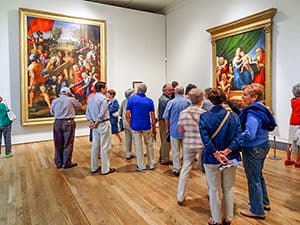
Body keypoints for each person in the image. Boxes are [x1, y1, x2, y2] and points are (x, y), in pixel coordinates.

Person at [199, 88, 242, 225]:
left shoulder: (204, 117)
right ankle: (228, 218)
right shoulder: (234, 116)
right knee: (229, 187)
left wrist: (216, 152)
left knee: (213, 188)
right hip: (231, 156)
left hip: (212, 157)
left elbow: (205, 139)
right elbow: (239, 137)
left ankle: (216, 219)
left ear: (209, 100)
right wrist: (228, 151)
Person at [239, 83, 276, 220]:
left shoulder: (252, 113)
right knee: (258, 175)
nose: (242, 97)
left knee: (253, 178)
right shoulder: (262, 108)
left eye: (245, 95)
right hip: (263, 144)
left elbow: (250, 134)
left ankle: (257, 209)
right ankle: (264, 202)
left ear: (254, 97)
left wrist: (237, 137)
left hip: (253, 147)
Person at [177, 88, 206, 205]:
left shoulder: (183, 113)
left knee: (185, 169)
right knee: (207, 170)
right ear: (201, 99)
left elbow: (180, 129)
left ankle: (180, 196)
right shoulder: (204, 113)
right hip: (202, 143)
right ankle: (211, 192)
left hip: (188, 143)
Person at [86, 82, 116, 175]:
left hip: (95, 125)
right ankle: (105, 169)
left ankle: (94, 167)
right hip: (103, 123)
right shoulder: (103, 99)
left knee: (95, 146)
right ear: (102, 89)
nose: (106, 89)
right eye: (105, 87)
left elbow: (87, 112)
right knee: (105, 146)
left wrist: (92, 122)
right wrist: (97, 122)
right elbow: (102, 113)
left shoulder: (91, 98)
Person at [126, 83, 156, 172]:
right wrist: (154, 126)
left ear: (137, 90)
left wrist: (130, 124)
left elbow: (127, 114)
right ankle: (151, 164)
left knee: (138, 146)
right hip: (146, 125)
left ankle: (141, 166)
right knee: (149, 145)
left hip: (135, 126)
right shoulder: (149, 101)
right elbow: (153, 116)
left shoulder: (131, 100)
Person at [50, 87, 81, 169]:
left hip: (57, 122)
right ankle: (66, 162)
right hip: (68, 122)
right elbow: (79, 106)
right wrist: (73, 97)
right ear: (68, 93)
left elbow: (51, 111)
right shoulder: (71, 99)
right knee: (68, 143)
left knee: (57, 143)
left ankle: (58, 163)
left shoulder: (55, 101)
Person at [163, 85, 191, 176]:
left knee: (175, 150)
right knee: (186, 151)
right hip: (186, 129)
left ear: (175, 92)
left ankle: (176, 169)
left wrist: (168, 128)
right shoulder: (188, 102)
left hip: (174, 129)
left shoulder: (171, 103)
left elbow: (166, 117)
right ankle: (186, 168)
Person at [285, 83, 300, 168]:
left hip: (292, 121)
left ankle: (288, 159)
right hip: (299, 122)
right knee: (299, 143)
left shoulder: (293, 101)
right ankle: (298, 161)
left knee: (290, 141)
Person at [158, 83, 172, 165]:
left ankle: (162, 156)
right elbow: (167, 114)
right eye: (169, 90)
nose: (171, 92)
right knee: (166, 141)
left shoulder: (164, 99)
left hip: (163, 121)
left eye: (171, 90)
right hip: (164, 122)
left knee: (164, 140)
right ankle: (164, 159)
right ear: (164, 91)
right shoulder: (165, 100)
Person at [119, 88, 135, 160]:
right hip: (132, 122)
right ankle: (138, 153)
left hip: (125, 123)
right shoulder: (133, 102)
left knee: (128, 139)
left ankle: (128, 153)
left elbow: (120, 113)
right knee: (136, 139)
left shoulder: (124, 101)